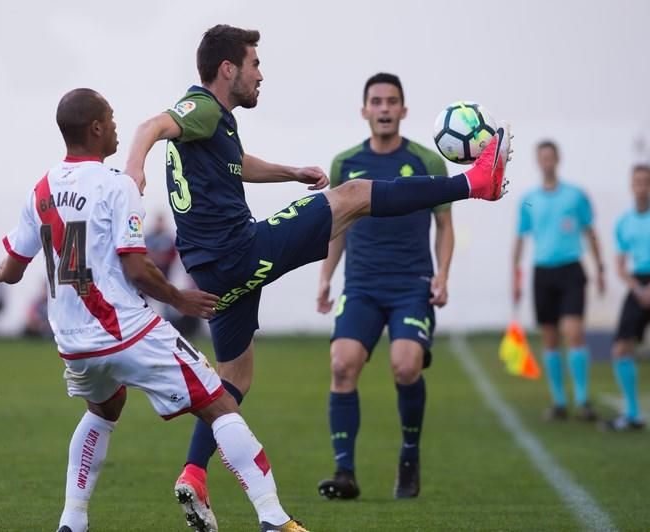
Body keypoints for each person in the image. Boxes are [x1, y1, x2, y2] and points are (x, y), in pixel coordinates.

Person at [126, 24, 511, 531]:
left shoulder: (215, 124)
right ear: (228, 69)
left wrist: (291, 172)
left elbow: (236, 165)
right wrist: (135, 169)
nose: (261, 74)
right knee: (353, 196)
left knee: (234, 379)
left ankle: (195, 474)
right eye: (255, 64)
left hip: (212, 277)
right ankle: (476, 181)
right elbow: (152, 125)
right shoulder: (200, 108)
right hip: (237, 254)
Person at [0, 88, 311, 532]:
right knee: (220, 405)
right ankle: (274, 519)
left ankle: (72, 521)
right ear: (98, 128)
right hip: (125, 331)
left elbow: (12, 268)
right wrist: (181, 300)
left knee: (104, 409)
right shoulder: (116, 185)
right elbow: (137, 266)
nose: (119, 126)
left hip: (72, 344)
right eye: (113, 118)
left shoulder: (41, 189)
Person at [314, 73, 452, 501]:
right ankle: (345, 472)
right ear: (365, 111)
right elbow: (336, 225)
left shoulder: (429, 163)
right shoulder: (345, 163)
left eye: (392, 101)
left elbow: (444, 225)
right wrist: (325, 276)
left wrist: (443, 274)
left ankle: (409, 456)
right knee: (341, 364)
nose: (385, 108)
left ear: (404, 110)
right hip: (362, 285)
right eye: (377, 101)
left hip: (411, 284)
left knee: (406, 364)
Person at [512, 140, 605, 421]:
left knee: (574, 332)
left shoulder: (576, 195)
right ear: (537, 161)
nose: (547, 162)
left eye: (551, 157)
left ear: (558, 159)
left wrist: (600, 268)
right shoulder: (529, 199)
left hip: (571, 270)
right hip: (543, 272)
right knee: (550, 338)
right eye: (542, 158)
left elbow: (590, 231)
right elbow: (520, 238)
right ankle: (559, 402)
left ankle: (583, 399)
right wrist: (515, 276)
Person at [601, 164, 650, 431]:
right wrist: (639, 289)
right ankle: (632, 414)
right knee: (621, 348)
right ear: (632, 186)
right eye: (638, 182)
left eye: (646, 182)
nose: (642, 187)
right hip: (638, 286)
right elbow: (620, 265)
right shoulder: (624, 222)